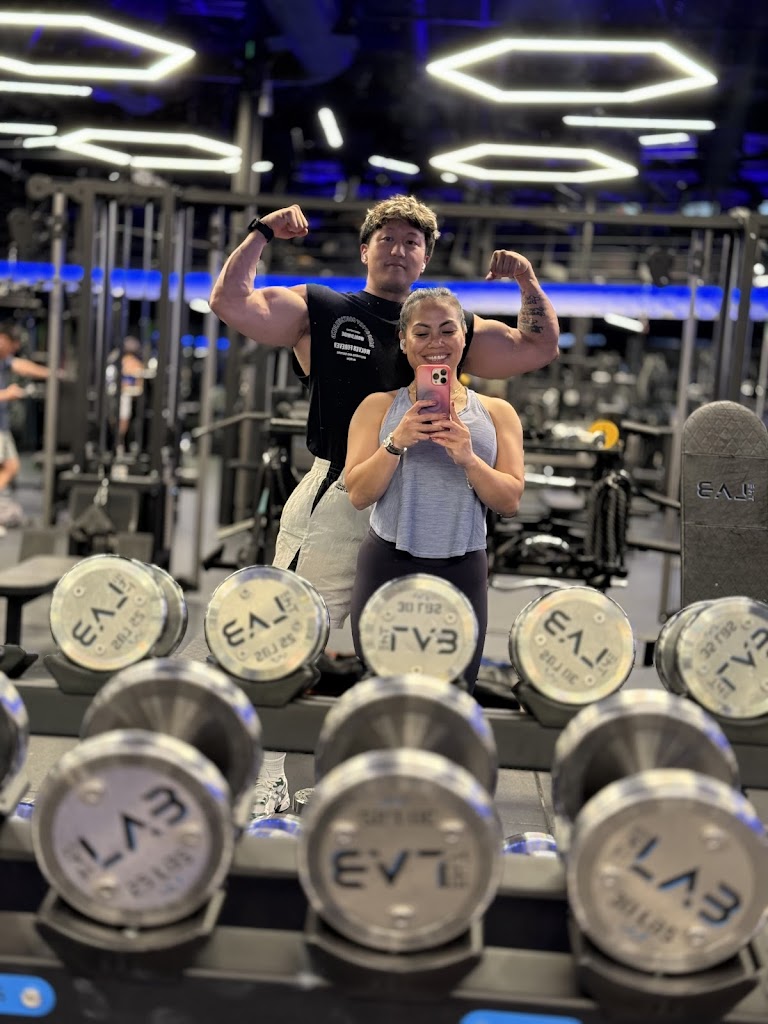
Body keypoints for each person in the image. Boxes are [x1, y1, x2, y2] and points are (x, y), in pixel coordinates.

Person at [209, 195, 558, 812]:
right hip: (343, 492)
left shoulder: (448, 323)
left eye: (411, 242)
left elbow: (536, 346)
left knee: (414, 654)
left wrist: (528, 281)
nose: (399, 250)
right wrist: (261, 232)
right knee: (296, 638)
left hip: (428, 504)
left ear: (426, 257)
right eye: (387, 239)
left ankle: (401, 784)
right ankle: (275, 783)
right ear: (365, 249)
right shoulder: (322, 307)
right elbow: (231, 303)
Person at [345, 287, 525, 690]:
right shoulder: (377, 407)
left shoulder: (498, 413)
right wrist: (396, 441)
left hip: (462, 567)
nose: (435, 343)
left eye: (447, 330)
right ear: (403, 340)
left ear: (464, 335)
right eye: (422, 333)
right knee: (381, 692)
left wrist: (469, 458)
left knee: (453, 697)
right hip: (388, 563)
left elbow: (510, 501)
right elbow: (359, 495)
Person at [0, 322, 52, 501]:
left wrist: (53, 373)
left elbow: (21, 365)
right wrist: (6, 394)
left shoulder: (4, 360)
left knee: (11, 466)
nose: (14, 349)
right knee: (10, 466)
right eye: (12, 345)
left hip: (2, 426)